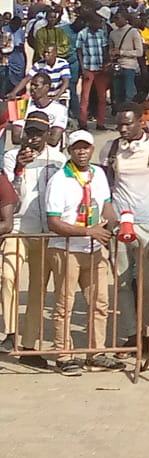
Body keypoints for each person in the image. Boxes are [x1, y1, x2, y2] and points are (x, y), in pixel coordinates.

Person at [102, 103, 149, 356]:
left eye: (127, 123)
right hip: (120, 226)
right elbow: (105, 190)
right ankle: (132, 335)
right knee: (123, 283)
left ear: (140, 122)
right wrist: (110, 221)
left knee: (147, 283)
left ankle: (148, 335)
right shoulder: (111, 149)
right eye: (119, 124)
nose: (122, 129)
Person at [45, 130, 121, 376]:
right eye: (77, 147)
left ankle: (96, 352)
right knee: (64, 304)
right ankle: (63, 355)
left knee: (100, 303)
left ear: (91, 149)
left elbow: (106, 205)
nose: (82, 151)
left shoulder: (98, 174)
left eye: (86, 147)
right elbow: (53, 222)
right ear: (70, 150)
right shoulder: (59, 180)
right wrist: (88, 232)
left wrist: (115, 224)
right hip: (67, 249)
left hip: (95, 248)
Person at [0, 112, 62, 366]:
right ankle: (11, 332)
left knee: (38, 287)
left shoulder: (58, 160)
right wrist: (19, 169)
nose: (33, 138)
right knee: (8, 275)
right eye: (30, 132)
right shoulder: (11, 156)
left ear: (48, 134)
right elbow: (13, 196)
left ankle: (29, 344)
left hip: (45, 230)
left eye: (38, 133)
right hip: (17, 226)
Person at [76, 12, 110, 130]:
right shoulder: (83, 34)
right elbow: (79, 51)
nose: (99, 24)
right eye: (97, 22)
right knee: (85, 97)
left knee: (102, 97)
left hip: (100, 69)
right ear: (90, 22)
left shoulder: (101, 33)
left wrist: (106, 64)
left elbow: (105, 50)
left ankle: (100, 123)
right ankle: (83, 122)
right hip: (88, 68)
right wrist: (83, 69)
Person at [109, 11, 144, 107]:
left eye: (118, 18)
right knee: (118, 94)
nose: (116, 20)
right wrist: (112, 54)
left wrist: (121, 52)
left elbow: (139, 52)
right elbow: (110, 50)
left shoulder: (133, 32)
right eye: (115, 18)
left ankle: (131, 114)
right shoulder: (112, 33)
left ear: (125, 18)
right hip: (117, 67)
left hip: (130, 66)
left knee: (130, 93)